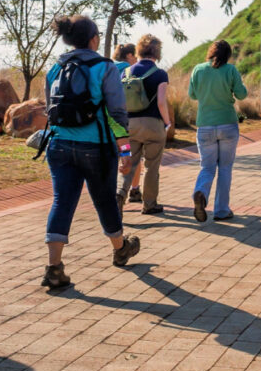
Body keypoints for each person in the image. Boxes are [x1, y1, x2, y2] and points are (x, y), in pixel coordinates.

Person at [41, 14, 141, 288]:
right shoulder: (105, 67)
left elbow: (49, 110)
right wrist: (125, 151)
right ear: (94, 39)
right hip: (96, 147)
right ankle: (120, 248)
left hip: (59, 145)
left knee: (62, 202)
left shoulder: (55, 68)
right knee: (104, 200)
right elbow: (117, 112)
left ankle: (54, 268)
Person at [188, 40, 248, 222]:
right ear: (227, 55)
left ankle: (201, 193)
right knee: (225, 168)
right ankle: (221, 210)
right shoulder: (230, 70)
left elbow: (192, 94)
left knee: (207, 167)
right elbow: (242, 95)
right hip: (228, 124)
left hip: (205, 125)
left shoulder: (198, 69)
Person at [118, 34, 171, 214]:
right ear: (157, 52)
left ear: (139, 51)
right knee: (151, 166)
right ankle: (149, 204)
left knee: (129, 163)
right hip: (153, 125)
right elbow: (161, 102)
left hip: (128, 126)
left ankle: (121, 193)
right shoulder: (160, 74)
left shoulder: (124, 73)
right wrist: (167, 122)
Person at [112, 43, 143, 205]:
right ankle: (134, 190)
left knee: (114, 158)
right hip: (125, 123)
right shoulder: (127, 69)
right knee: (132, 155)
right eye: (135, 57)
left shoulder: (106, 66)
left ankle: (111, 193)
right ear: (130, 55)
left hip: (106, 123)